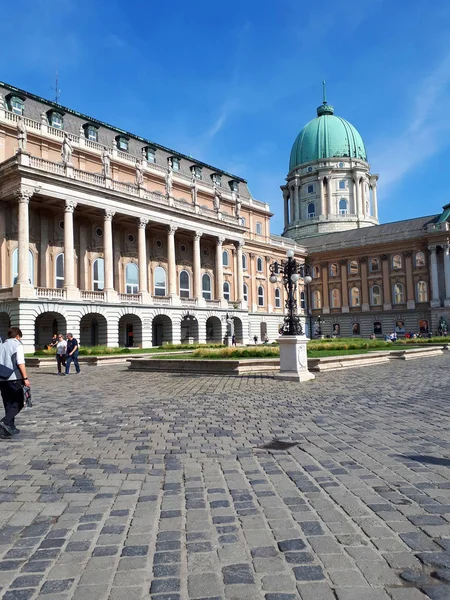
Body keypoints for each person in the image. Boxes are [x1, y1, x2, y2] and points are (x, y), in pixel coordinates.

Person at [0, 327, 30, 437]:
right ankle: (5, 421)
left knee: (8, 402)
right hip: (14, 377)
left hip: (2, 378)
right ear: (17, 336)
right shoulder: (17, 345)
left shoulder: (1, 345)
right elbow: (20, 362)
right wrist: (25, 378)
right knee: (19, 402)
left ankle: (10, 427)